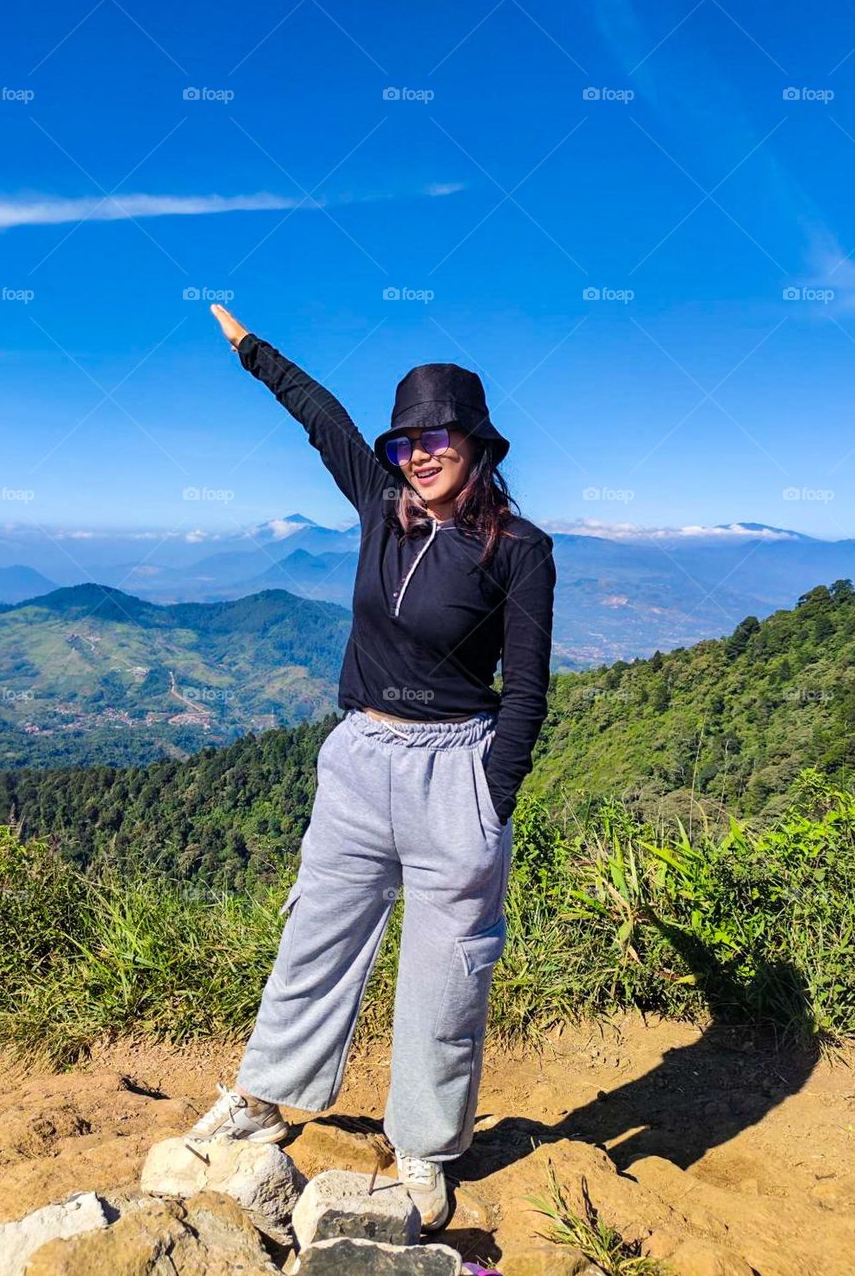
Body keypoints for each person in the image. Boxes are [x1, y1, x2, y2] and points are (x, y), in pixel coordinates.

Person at [188, 305, 556, 1231]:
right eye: (404, 443)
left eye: (435, 438)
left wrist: (492, 796)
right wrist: (252, 351)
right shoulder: (380, 507)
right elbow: (324, 420)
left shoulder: (520, 551)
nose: (417, 456)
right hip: (358, 762)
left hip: (456, 774)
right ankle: (265, 1097)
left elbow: (527, 688)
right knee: (313, 938)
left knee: (446, 977)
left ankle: (424, 1145)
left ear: (475, 443)